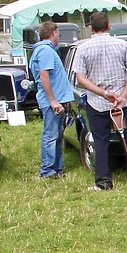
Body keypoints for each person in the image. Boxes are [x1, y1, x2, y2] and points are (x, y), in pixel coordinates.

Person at [71, 11, 127, 191]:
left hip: (98, 102)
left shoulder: (83, 49)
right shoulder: (122, 45)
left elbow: (80, 78)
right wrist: (123, 95)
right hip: (124, 101)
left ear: (90, 28)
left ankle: (104, 182)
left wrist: (104, 93)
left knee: (101, 141)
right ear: (109, 26)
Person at [28, 21, 73, 179]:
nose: (59, 37)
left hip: (55, 99)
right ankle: (48, 170)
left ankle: (57, 169)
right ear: (53, 33)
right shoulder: (45, 51)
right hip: (52, 101)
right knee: (51, 135)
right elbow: (44, 76)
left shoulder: (44, 51)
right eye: (58, 34)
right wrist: (53, 101)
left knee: (57, 135)